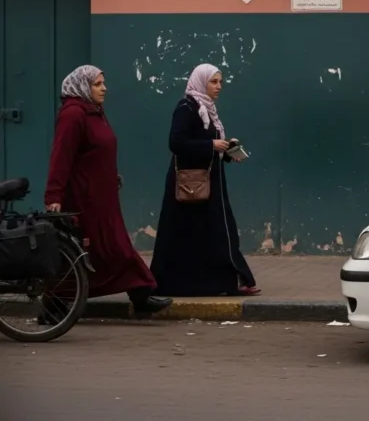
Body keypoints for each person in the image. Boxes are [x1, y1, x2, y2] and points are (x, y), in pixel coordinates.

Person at [43, 65, 172, 322]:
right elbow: (61, 157)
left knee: (109, 248)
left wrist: (110, 176)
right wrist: (53, 196)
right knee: (103, 249)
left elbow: (96, 153)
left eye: (103, 83)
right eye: (97, 84)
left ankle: (138, 293)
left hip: (103, 197)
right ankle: (140, 293)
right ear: (83, 87)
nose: (104, 88)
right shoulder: (73, 115)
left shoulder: (94, 112)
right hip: (84, 199)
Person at [149, 64, 259, 297]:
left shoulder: (207, 109)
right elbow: (176, 143)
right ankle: (192, 284)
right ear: (201, 82)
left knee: (216, 232)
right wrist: (211, 145)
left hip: (209, 184)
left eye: (220, 82)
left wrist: (226, 150)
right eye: (214, 82)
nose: (219, 87)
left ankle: (225, 282)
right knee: (192, 234)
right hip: (191, 185)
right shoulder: (187, 107)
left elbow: (207, 144)